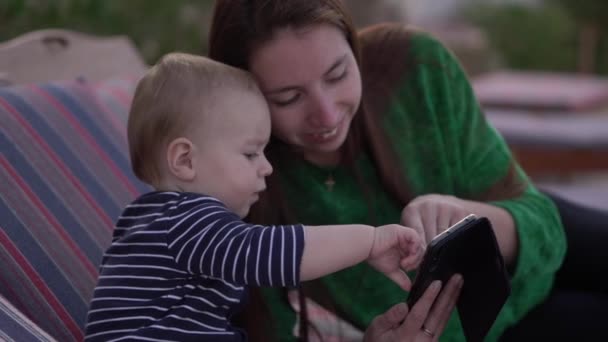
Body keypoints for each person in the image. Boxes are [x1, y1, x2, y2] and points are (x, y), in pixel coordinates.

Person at [207, 0, 576, 341]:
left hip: (527, 277)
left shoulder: (415, 67)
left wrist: (471, 217)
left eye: (338, 75)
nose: (327, 115)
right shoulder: (235, 192)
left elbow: (546, 228)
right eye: (288, 98)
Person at [83, 52, 431, 341]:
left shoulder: (150, 221)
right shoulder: (186, 219)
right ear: (185, 160)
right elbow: (275, 253)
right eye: (251, 154)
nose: (266, 167)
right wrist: (369, 241)